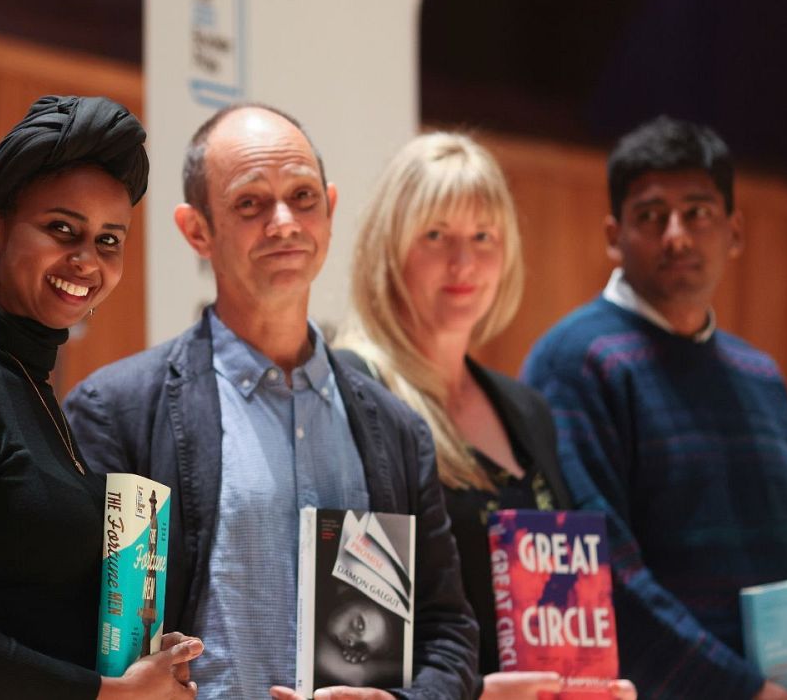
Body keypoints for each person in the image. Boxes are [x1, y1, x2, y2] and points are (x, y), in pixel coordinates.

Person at [65, 105, 480, 700]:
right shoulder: (118, 411)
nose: (284, 222)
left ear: (331, 210)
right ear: (196, 230)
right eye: (250, 203)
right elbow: (68, 624)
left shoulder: (396, 429)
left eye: (304, 197)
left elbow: (448, 630)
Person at [521, 116, 787, 700]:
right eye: (651, 216)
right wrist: (746, 692)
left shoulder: (759, 374)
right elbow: (605, 576)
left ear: (734, 232)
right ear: (614, 234)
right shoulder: (574, 361)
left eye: (699, 213)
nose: (678, 236)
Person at [336, 133, 634, 700]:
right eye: (435, 236)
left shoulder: (525, 407)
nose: (464, 261)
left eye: (483, 236)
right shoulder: (355, 390)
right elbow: (357, 633)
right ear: (388, 248)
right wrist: (475, 693)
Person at [0, 95, 204, 700]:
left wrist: (139, 662)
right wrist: (110, 693)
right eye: (62, 229)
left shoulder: (28, 385)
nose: (87, 261)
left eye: (110, 240)